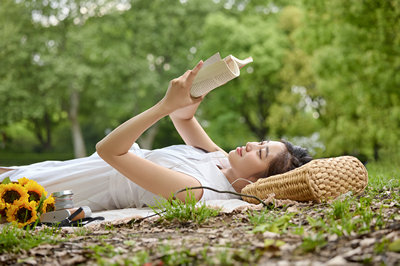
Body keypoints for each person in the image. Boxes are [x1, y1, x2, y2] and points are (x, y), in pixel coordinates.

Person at [0, 61, 312, 211]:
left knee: (12, 189)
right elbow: (183, 117)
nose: (250, 145)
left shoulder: (197, 190)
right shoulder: (219, 158)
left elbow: (110, 151)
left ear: (255, 182)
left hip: (88, 185)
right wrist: (195, 91)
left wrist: (163, 105)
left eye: (259, 153)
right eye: (260, 142)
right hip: (91, 167)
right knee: (14, 173)